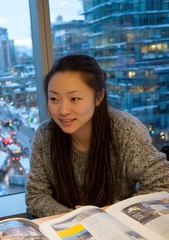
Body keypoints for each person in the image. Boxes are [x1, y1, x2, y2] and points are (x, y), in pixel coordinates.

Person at [25, 54, 169, 218]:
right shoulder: (45, 135)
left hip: (119, 226)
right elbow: (35, 195)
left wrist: (108, 214)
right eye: (54, 99)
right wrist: (77, 217)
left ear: (98, 97)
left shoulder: (124, 129)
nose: (63, 110)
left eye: (74, 98)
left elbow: (163, 182)